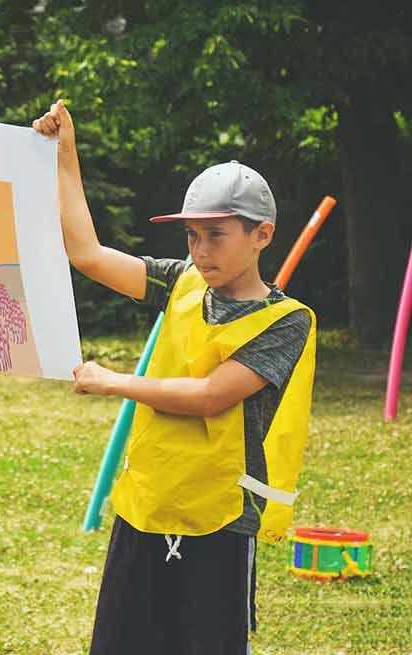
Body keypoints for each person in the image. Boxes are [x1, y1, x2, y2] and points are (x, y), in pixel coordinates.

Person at [32, 100, 317, 654]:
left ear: (262, 235)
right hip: (146, 504)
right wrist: (65, 155)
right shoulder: (181, 281)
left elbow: (211, 396)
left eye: (216, 235)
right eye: (192, 236)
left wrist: (114, 381)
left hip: (218, 523)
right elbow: (87, 254)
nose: (200, 250)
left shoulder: (286, 322)